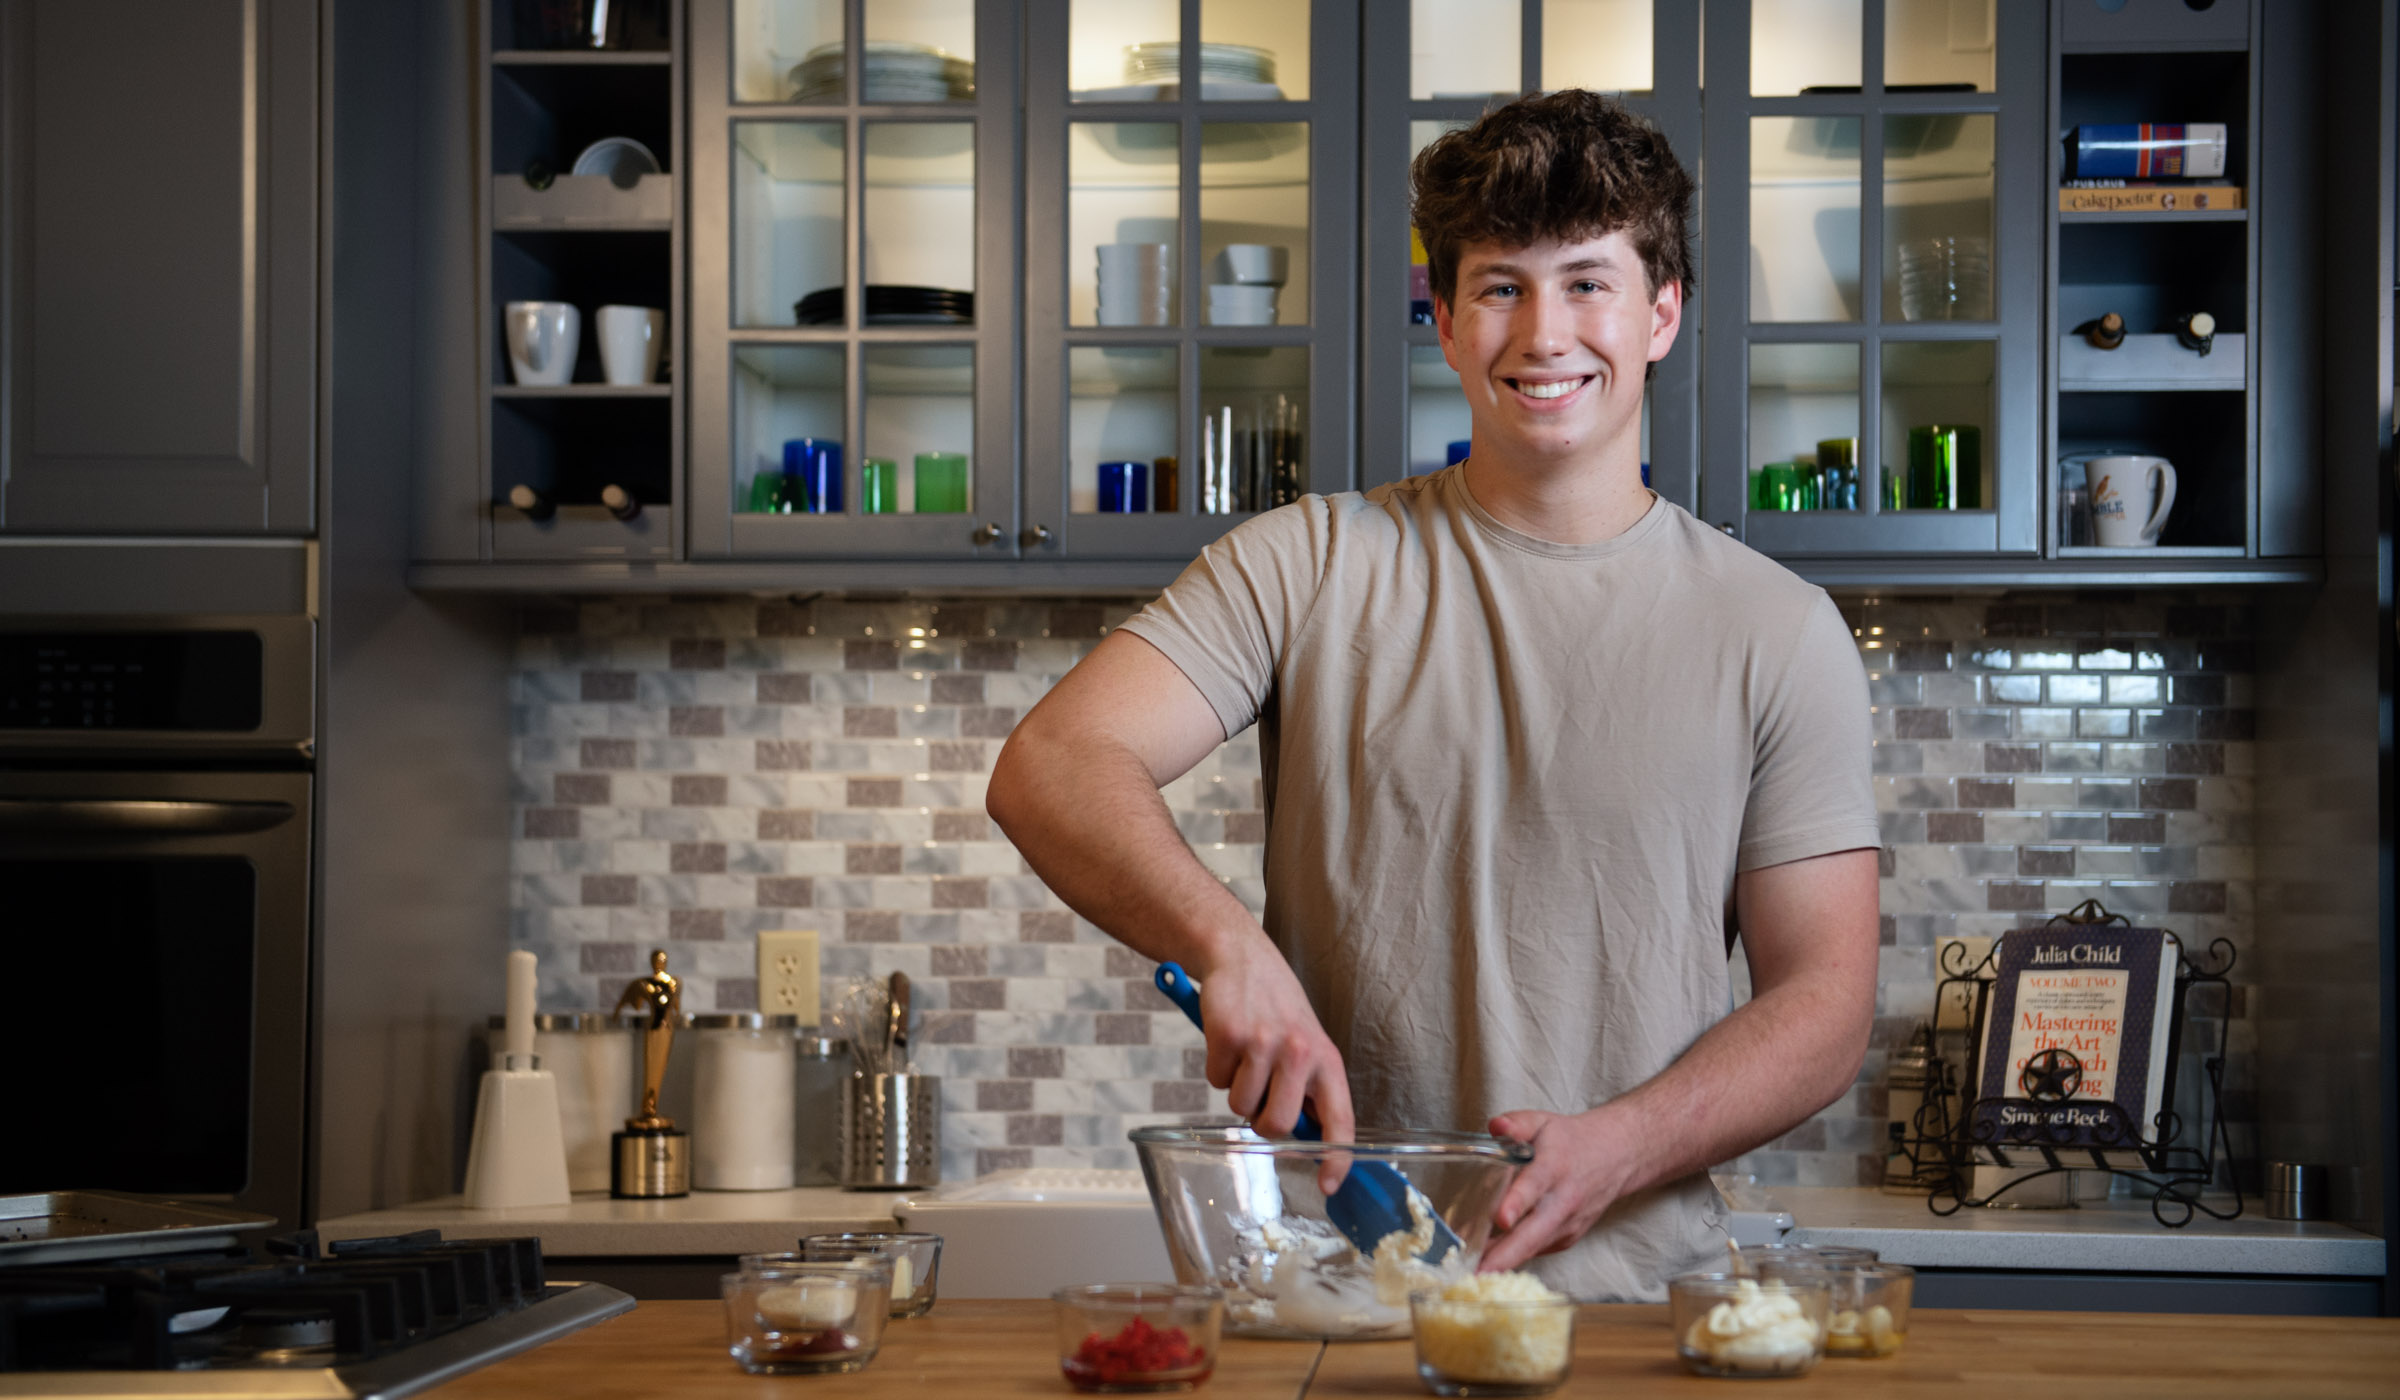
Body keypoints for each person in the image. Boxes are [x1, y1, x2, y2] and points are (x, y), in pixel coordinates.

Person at [986, 90, 1879, 1300]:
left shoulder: (1779, 628)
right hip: (1339, 1296)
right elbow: (1055, 759)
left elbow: (1824, 1002)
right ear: (1448, 324)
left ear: (1662, 312)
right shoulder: (1304, 562)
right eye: (1502, 286)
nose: (1544, 332)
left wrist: (1621, 1144)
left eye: (1588, 282)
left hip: (1627, 1310)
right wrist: (1224, 943)